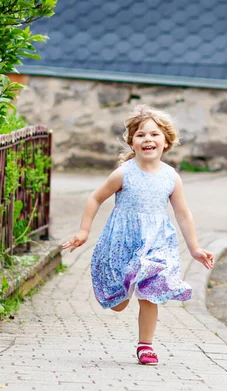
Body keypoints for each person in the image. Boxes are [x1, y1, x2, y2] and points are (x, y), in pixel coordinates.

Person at [62, 104, 215, 365]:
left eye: (154, 134)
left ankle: (146, 346)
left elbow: (183, 214)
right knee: (118, 303)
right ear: (132, 142)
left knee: (149, 293)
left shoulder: (171, 177)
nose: (148, 139)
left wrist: (195, 249)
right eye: (141, 135)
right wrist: (84, 231)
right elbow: (95, 197)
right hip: (123, 241)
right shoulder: (124, 173)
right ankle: (125, 286)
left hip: (157, 243)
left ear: (166, 142)